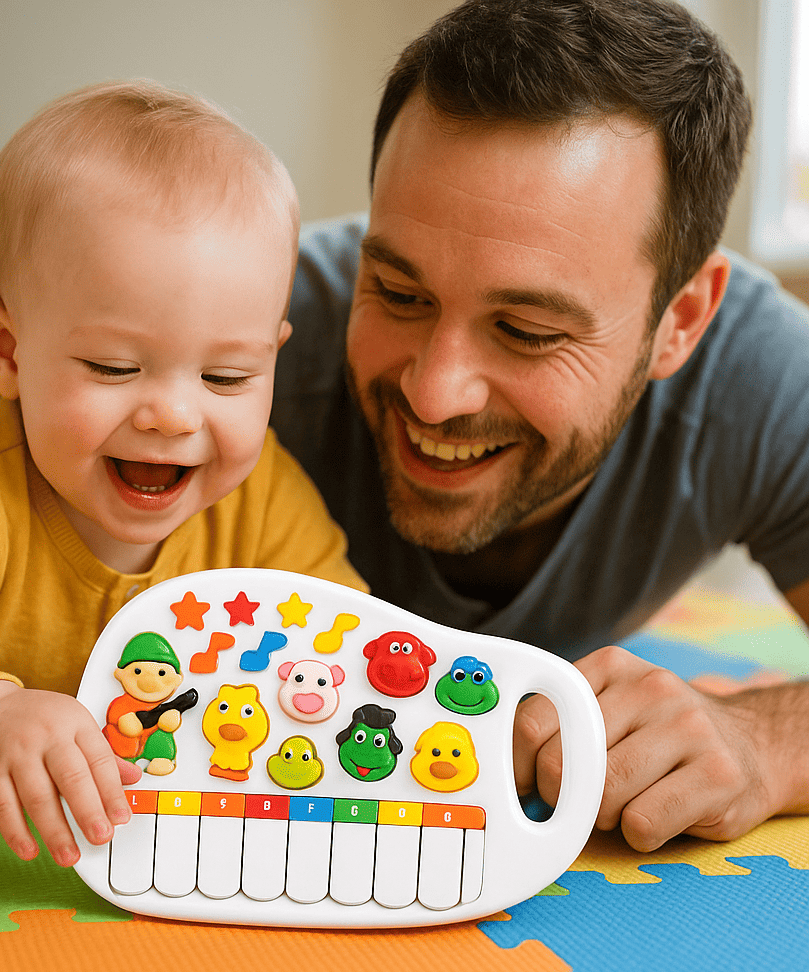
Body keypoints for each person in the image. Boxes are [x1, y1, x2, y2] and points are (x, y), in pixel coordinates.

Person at [271, 0, 809, 853]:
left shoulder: (763, 379)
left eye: (528, 331)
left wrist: (768, 740)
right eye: (400, 295)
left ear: (681, 320)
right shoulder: (244, 348)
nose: (436, 393)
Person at [0, 81, 364, 868]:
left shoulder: (265, 496)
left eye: (227, 379)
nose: (173, 415)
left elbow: (346, 637)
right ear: (6, 349)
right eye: (114, 366)